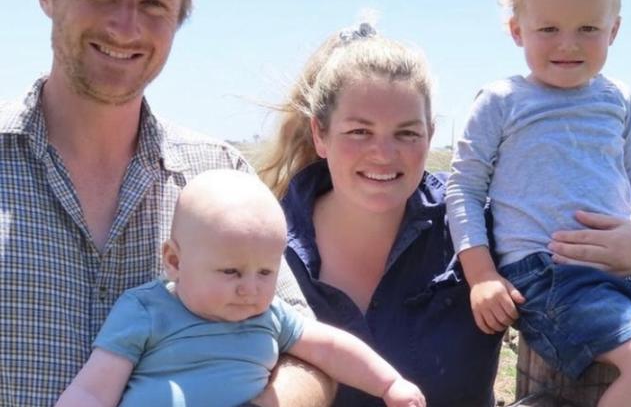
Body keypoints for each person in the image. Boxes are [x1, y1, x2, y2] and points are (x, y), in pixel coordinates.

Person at [0, 0, 333, 406]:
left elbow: (307, 354)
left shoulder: (221, 176)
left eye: (154, 2)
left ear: (179, 17)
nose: (126, 25)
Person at [445, 0, 631, 406]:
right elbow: (465, 188)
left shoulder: (617, 99)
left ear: (614, 30)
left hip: (625, 266)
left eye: (587, 29)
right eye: (549, 29)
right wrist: (482, 276)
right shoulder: (503, 100)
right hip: (549, 275)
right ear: (518, 31)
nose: (568, 45)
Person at [255, 21, 504, 407]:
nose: (384, 154)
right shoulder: (260, 244)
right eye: (359, 132)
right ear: (320, 134)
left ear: (431, 134)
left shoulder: (475, 229)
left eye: (406, 133)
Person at [56, 169, 426, 407]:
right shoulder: (146, 310)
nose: (250, 289)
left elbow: (330, 348)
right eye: (231, 272)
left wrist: (389, 383)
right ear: (174, 261)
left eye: (266, 272)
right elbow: (93, 390)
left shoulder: (271, 315)